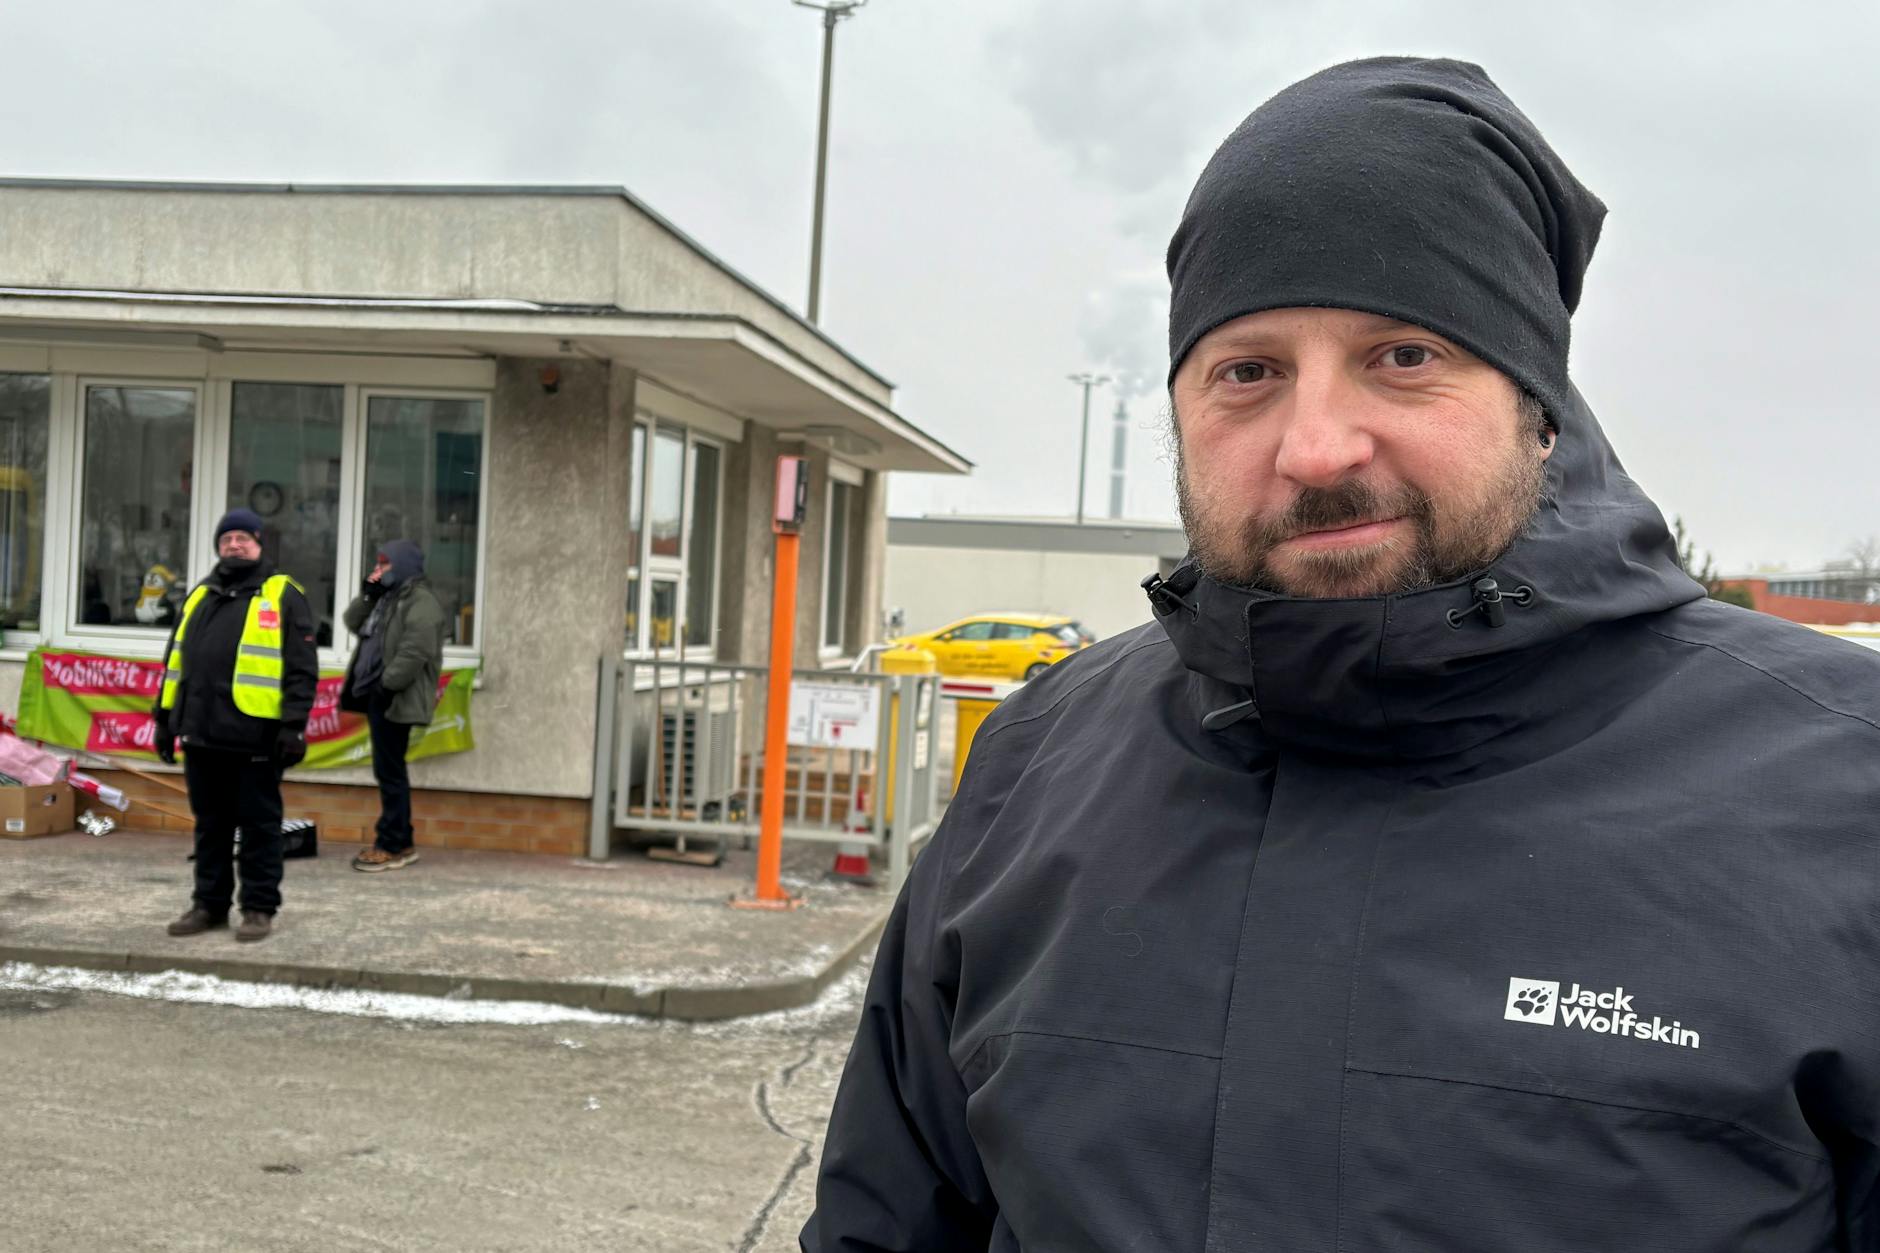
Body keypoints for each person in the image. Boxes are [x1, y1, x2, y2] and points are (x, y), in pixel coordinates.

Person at [802, 58, 1880, 1250]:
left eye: (1402, 355)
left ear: (1533, 401)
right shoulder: (1031, 768)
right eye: (1248, 371)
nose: (1314, 446)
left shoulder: (1842, 790)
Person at [155, 508, 317, 944]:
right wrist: (165, 721)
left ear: (260, 544)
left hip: (256, 738)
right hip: (201, 735)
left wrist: (293, 726)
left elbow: (302, 668)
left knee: (260, 828)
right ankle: (208, 906)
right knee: (210, 826)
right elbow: (174, 663)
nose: (235, 545)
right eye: (227, 538)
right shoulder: (200, 595)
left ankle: (258, 908)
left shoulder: (282, 593)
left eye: (244, 538)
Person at [340, 539, 445, 872]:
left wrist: (387, 686)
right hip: (380, 694)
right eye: (378, 563)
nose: (379, 569)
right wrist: (367, 595)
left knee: (390, 772)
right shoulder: (387, 598)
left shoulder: (421, 602)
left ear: (402, 566)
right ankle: (402, 841)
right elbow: (352, 622)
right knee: (388, 770)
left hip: (394, 697)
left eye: (385, 564)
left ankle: (392, 844)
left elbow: (415, 650)